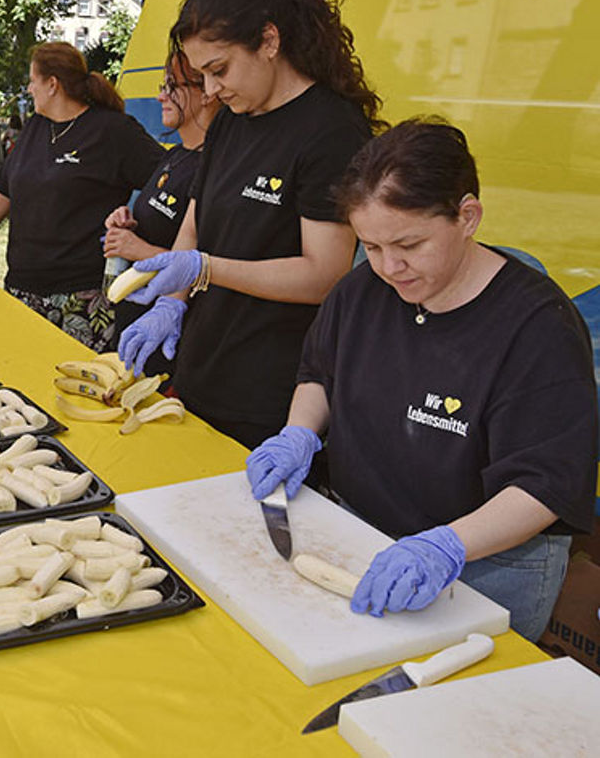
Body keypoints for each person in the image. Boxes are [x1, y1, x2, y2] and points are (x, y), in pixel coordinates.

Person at [245, 119, 597, 640]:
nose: (390, 266)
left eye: (409, 244)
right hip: (359, 530)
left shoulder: (537, 327)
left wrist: (445, 546)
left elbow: (545, 484)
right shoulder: (362, 290)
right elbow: (319, 373)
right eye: (372, 245)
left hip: (483, 564)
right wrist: (299, 431)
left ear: (467, 216)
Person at [117, 0, 383, 447]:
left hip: (272, 394)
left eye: (219, 70)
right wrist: (171, 303)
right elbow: (194, 227)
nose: (211, 91)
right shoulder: (230, 122)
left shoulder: (331, 131)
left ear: (269, 41)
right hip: (200, 369)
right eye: (202, 76)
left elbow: (325, 274)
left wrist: (205, 270)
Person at [0, 42, 165, 351]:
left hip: (81, 296)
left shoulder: (112, 130)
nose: (28, 88)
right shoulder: (37, 127)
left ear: (52, 84)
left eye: (32, 80)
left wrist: (134, 228)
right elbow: (4, 188)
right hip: (22, 286)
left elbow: (168, 181)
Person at [103, 52, 221, 378]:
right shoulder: (176, 155)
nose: (160, 96)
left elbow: (209, 267)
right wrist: (126, 222)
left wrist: (136, 249)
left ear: (207, 91)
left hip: (171, 344)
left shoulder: (214, 169)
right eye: (162, 85)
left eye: (172, 86)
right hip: (137, 324)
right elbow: (163, 229)